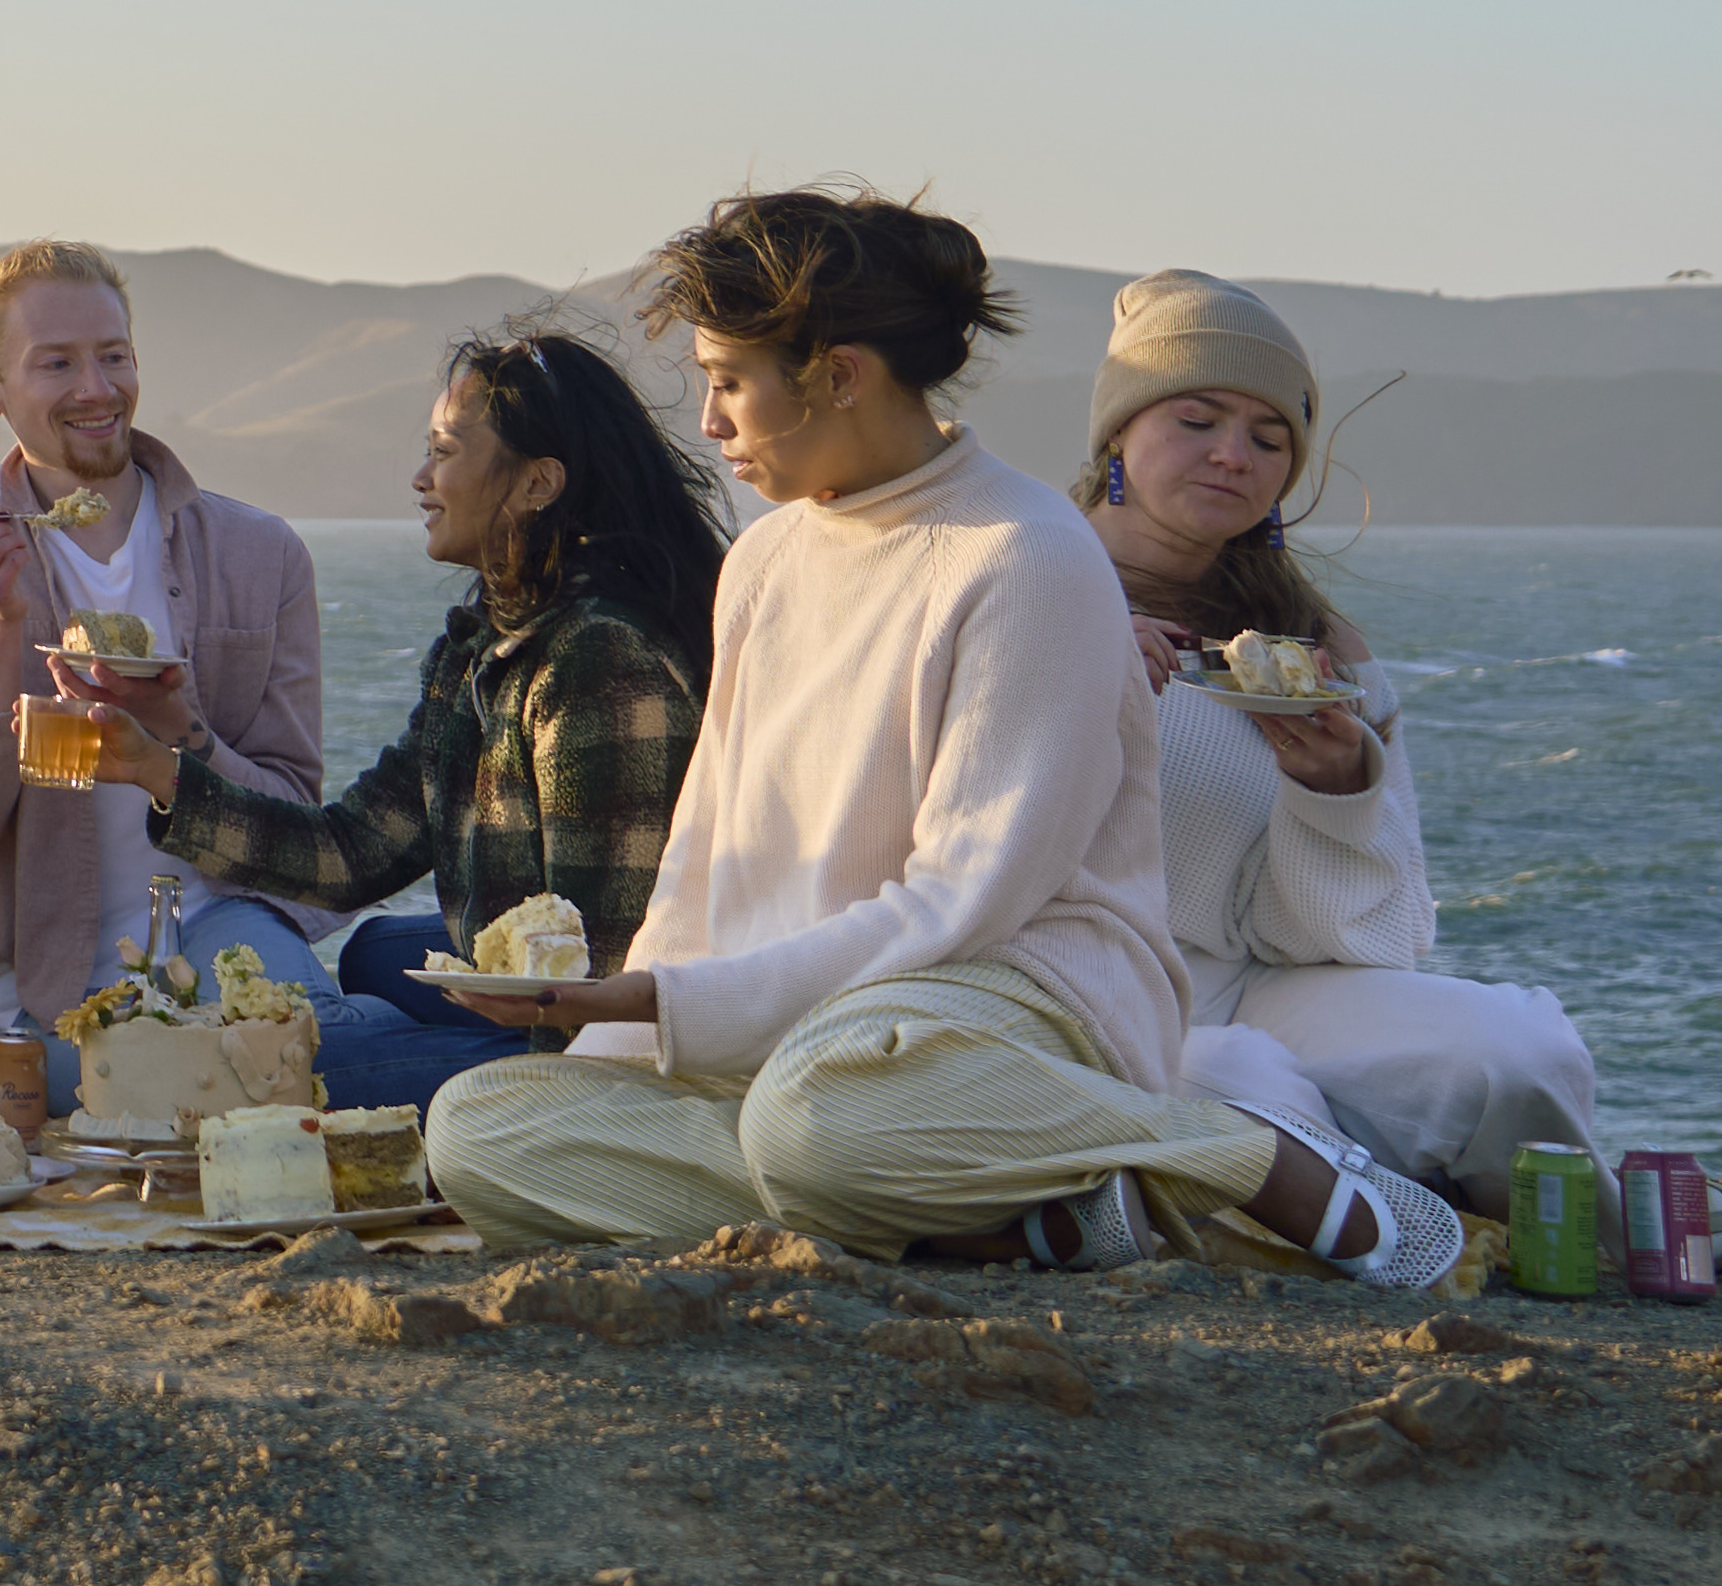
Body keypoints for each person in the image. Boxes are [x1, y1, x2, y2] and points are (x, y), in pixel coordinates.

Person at [409, 187, 1460, 1283]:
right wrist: (617, 1039)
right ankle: (1015, 1219)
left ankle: (1241, 1158)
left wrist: (668, 1003)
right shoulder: (767, 562)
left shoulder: (1023, 556)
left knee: (816, 1115)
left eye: (729, 383)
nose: (711, 422)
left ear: (840, 375)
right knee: (482, 1128)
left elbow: (965, 900)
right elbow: (706, 859)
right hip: (812, 1031)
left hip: (999, 1001)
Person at [73, 322, 719, 1107]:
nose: (420, 478)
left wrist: (492, 1092)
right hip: (528, 1003)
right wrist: (157, 770)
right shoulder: (485, 648)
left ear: (537, 484)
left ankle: (397, 1059)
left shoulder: (601, 661)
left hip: (595, 1048)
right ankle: (389, 1042)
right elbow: (352, 854)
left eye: (445, 453)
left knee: (246, 1069)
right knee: (378, 950)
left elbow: (602, 969)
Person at [1077, 272, 1602, 1213]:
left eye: (1268, 438)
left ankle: (1536, 1212)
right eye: (1197, 420)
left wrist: (1335, 787)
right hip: (1070, 990)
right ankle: (1442, 1214)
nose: (1233, 456)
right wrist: (1072, 656)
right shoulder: (1025, 582)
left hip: (1255, 985)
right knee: (1252, 1087)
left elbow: (1372, 941)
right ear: (1119, 428)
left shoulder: (1320, 649)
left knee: (1516, 1051)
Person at [0, 242, 336, 1039]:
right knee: (145, 1086)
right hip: (37, 980)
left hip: (220, 922)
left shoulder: (261, 553)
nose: (98, 391)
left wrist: (178, 732)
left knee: (301, 1053)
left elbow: (295, 827)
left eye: (115, 357)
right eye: (56, 364)